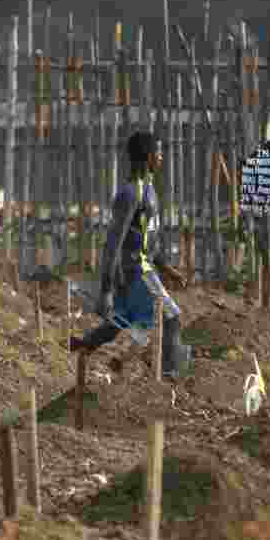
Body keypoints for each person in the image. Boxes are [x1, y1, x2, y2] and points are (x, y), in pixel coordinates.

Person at [70, 130, 193, 379]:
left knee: (125, 318)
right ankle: (169, 374)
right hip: (135, 268)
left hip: (143, 264)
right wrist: (105, 290)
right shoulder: (130, 194)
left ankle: (85, 344)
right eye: (158, 153)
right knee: (171, 315)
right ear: (148, 157)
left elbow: (147, 240)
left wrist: (167, 268)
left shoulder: (148, 190)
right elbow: (113, 243)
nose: (161, 158)